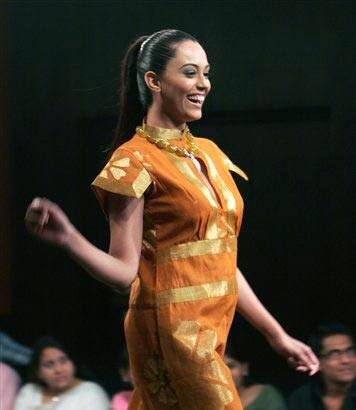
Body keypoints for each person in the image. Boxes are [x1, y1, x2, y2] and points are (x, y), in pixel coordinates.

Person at [25, 29, 319, 409]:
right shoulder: (132, 161)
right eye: (190, 73)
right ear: (154, 81)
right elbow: (122, 272)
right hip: (171, 329)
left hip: (213, 325)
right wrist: (68, 238)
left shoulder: (209, 153)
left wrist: (276, 335)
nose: (204, 84)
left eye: (206, 73)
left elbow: (220, 260)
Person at [14, 336, 109, 409]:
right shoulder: (29, 392)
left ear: (73, 363)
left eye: (63, 360)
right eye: (49, 364)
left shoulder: (91, 393)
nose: (58, 370)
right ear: (38, 372)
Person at [288, 322, 356, 409]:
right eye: (334, 353)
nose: (346, 360)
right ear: (317, 361)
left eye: (350, 351)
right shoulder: (302, 398)